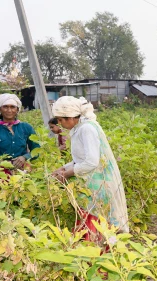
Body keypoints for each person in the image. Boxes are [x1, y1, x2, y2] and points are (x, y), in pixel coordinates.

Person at [50, 96, 129, 242]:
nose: (59, 123)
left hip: (98, 183)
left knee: (99, 221)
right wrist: (62, 168)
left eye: (61, 119)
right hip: (93, 180)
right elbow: (80, 159)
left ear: (71, 117)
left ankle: (102, 255)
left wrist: (67, 174)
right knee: (95, 221)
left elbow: (91, 162)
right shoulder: (81, 127)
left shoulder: (86, 129)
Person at [0, 94, 40, 173]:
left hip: (23, 171)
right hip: (1, 171)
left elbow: (36, 150)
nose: (9, 110)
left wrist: (25, 157)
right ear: (0, 109)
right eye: (5, 107)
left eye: (12, 107)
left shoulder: (26, 127)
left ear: (17, 110)